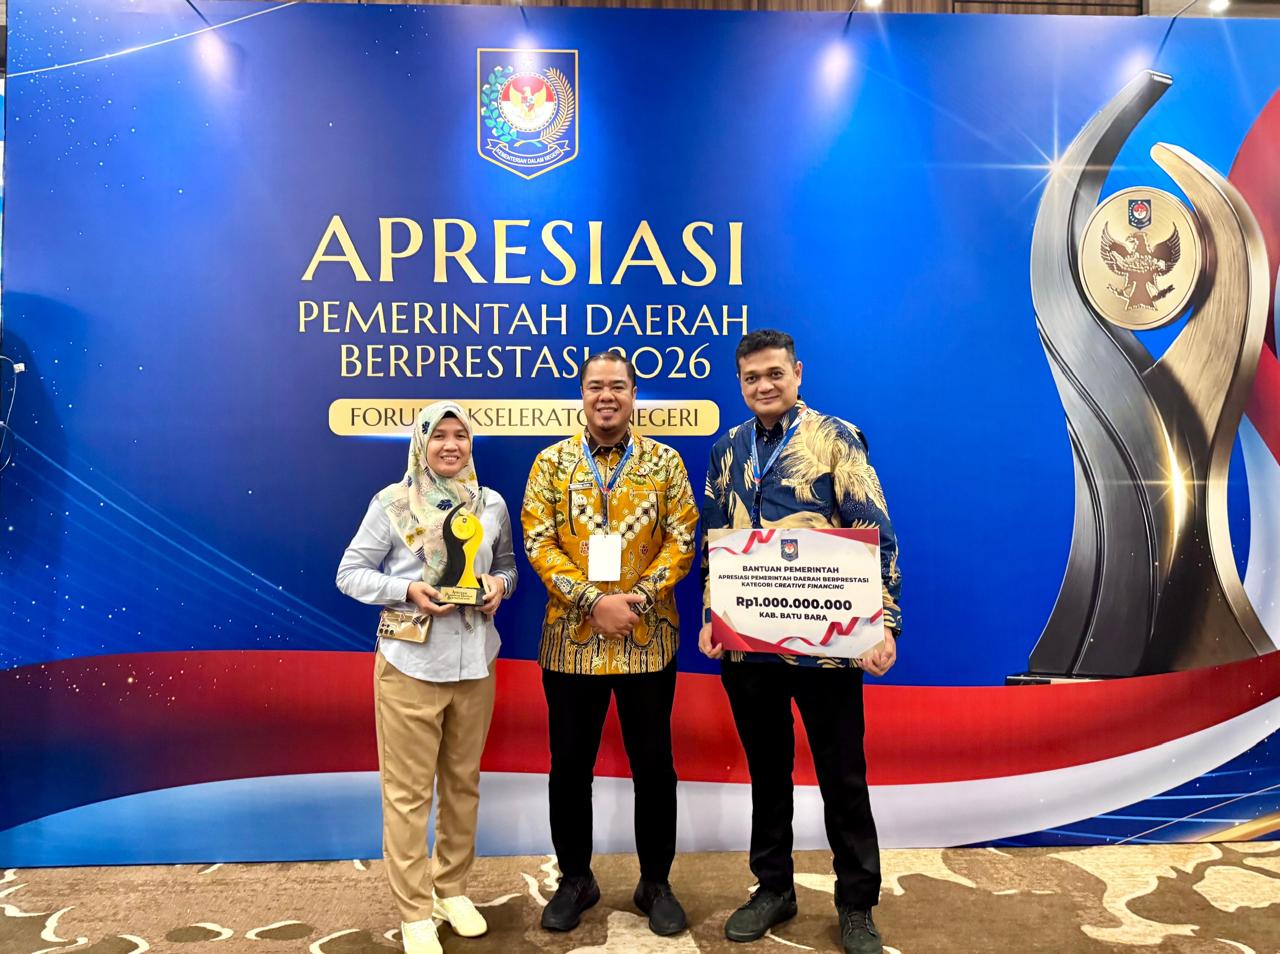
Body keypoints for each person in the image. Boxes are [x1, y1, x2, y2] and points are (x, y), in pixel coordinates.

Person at [698, 329, 902, 954]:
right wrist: (710, 614)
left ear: (797, 373)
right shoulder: (726, 448)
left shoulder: (836, 439)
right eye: (751, 378)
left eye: (774, 374)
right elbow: (714, 542)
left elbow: (874, 530)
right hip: (748, 646)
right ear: (740, 384)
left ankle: (857, 904)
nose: (764, 386)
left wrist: (885, 623)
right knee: (767, 774)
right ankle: (773, 888)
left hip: (829, 645)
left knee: (843, 777)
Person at [521, 351, 699, 937]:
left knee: (655, 767)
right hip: (571, 643)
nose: (606, 396)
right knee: (570, 768)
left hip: (648, 641)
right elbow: (538, 541)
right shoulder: (551, 463)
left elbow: (682, 540)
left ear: (633, 394)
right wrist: (592, 603)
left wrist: (636, 601)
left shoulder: (665, 463)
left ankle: (656, 883)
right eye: (595, 386)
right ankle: (576, 880)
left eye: (617, 386)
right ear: (582, 394)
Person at [337, 401, 517, 954]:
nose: (450, 445)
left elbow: (506, 566)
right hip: (410, 665)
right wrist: (406, 590)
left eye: (460, 435)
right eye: (438, 435)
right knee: (408, 794)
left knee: (463, 785)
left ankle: (451, 890)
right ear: (421, 442)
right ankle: (415, 910)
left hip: (475, 662)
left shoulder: (489, 503)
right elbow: (350, 573)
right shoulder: (392, 503)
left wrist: (498, 587)